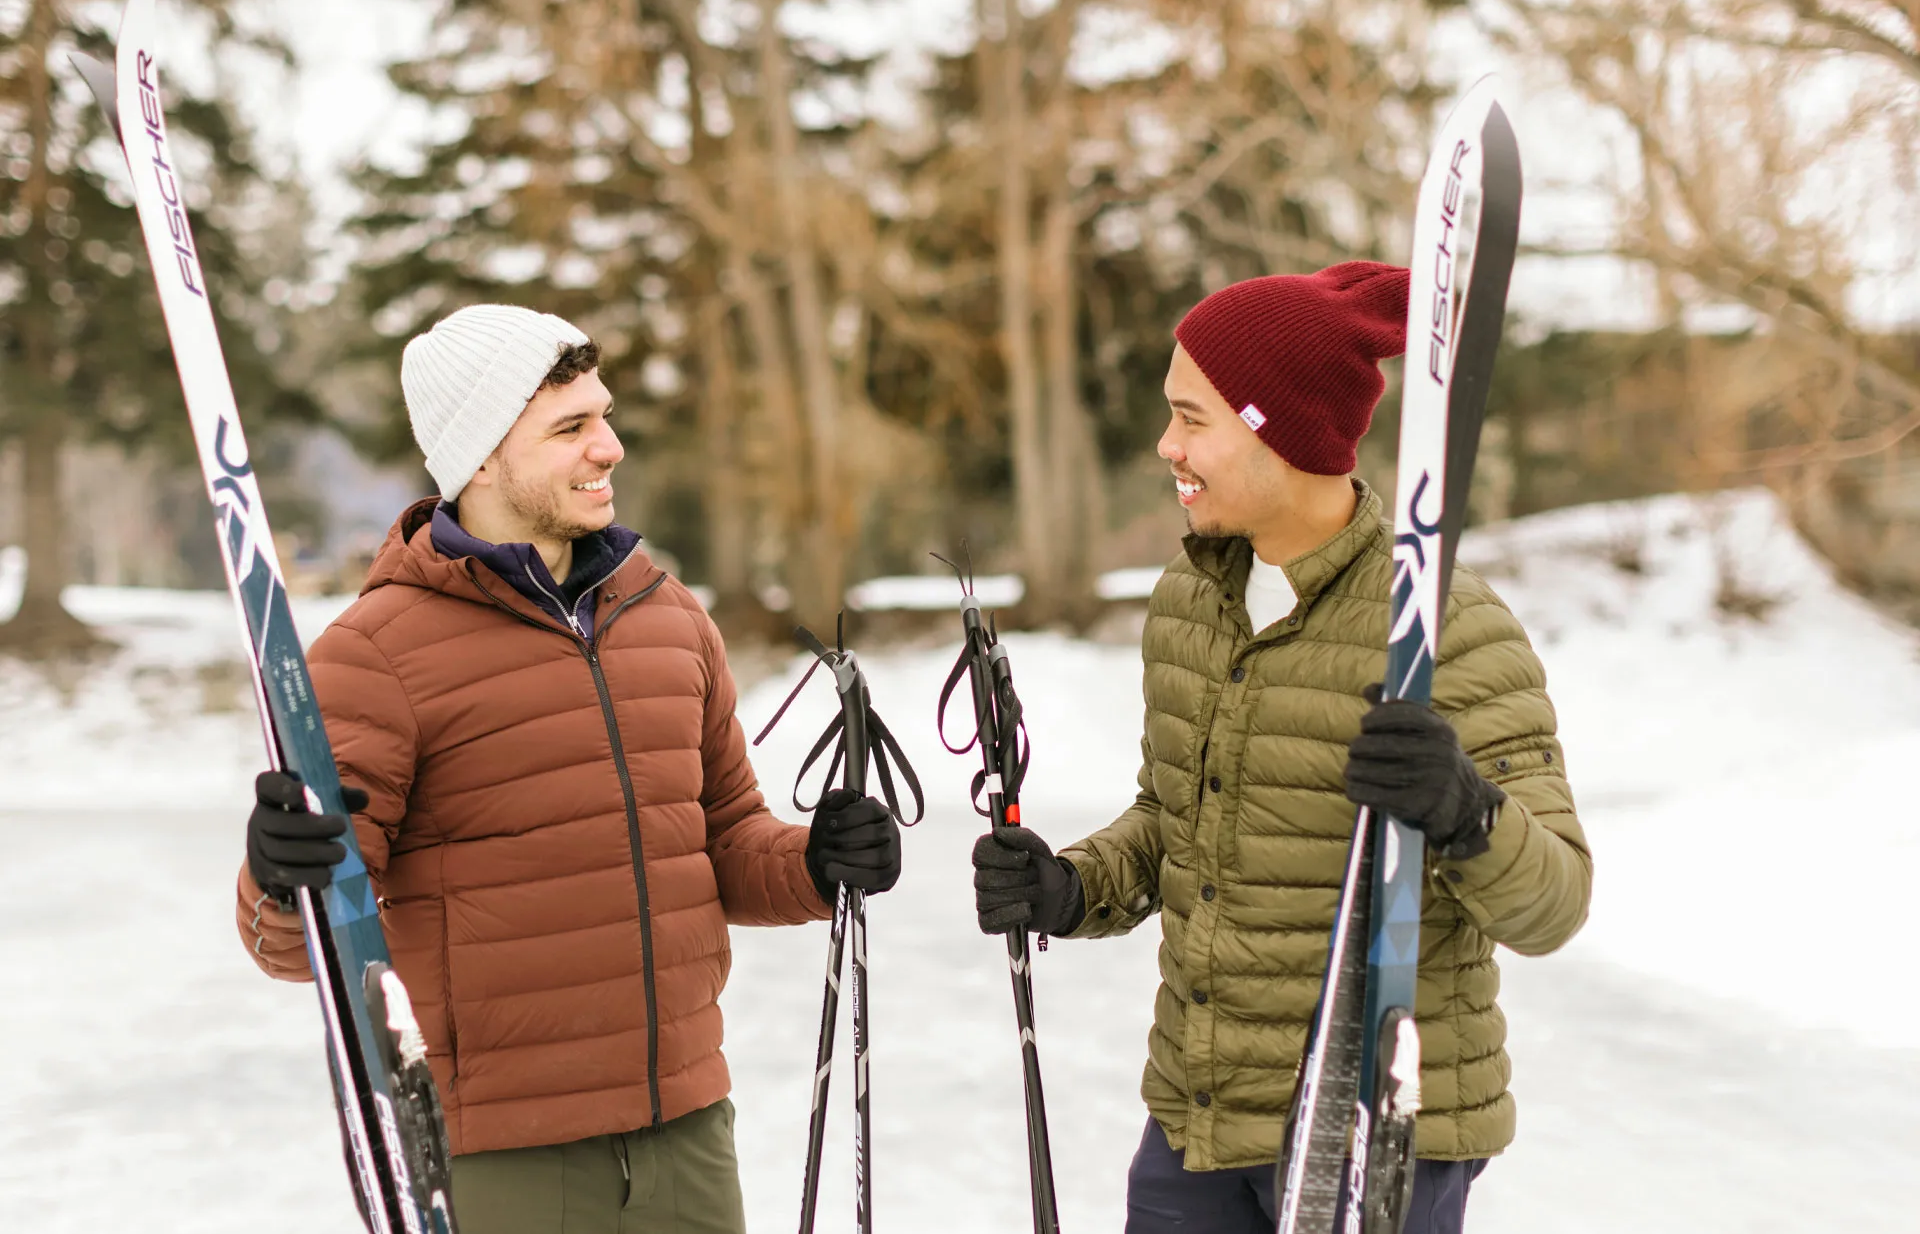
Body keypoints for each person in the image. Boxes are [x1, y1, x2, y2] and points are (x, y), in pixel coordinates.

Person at [235, 304, 902, 1234]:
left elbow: (725, 841)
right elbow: (298, 940)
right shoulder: (375, 654)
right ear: (479, 458)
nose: (610, 446)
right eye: (571, 427)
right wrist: (279, 873)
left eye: (605, 414)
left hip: (688, 1134)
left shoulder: (670, 619)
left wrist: (816, 863)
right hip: (504, 1159)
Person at [970, 263, 1592, 1234]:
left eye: (1193, 418)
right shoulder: (1190, 602)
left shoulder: (1445, 631)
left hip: (1378, 1142)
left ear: (1280, 428)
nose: (1166, 444)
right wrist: (1070, 886)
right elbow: (1170, 817)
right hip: (1197, 1123)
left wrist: (1465, 810)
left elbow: (1554, 902)